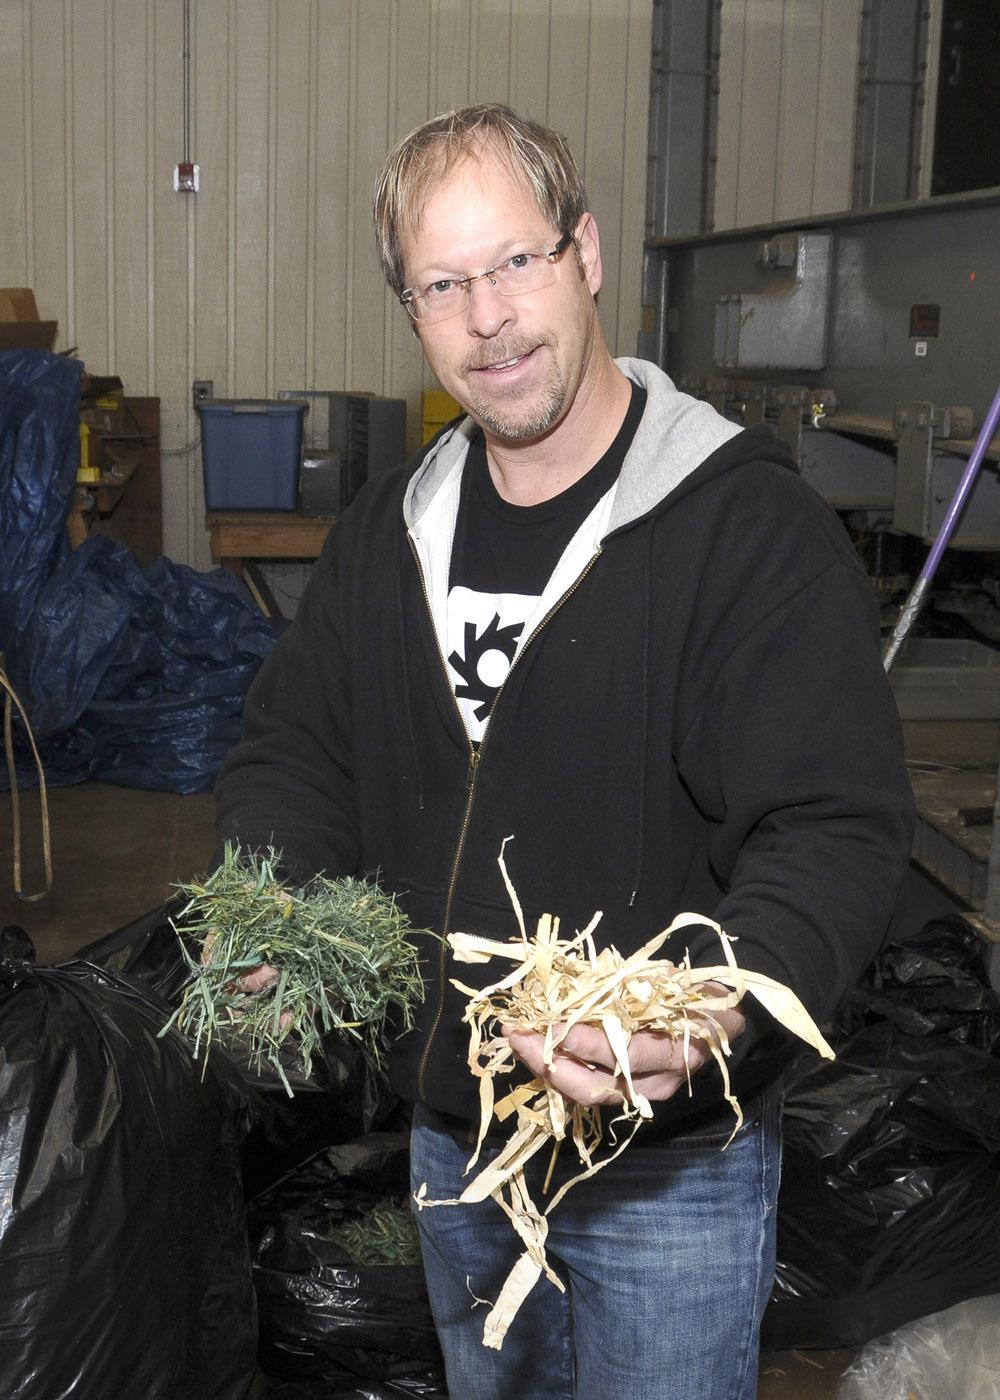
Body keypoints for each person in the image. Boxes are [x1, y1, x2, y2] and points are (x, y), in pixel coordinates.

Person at [215, 103, 914, 1399]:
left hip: (669, 1161)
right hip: (454, 1137)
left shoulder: (737, 528)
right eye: (443, 283)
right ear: (411, 311)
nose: (489, 316)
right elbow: (293, 754)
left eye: (517, 262)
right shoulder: (388, 537)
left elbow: (833, 819)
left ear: (586, 253)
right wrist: (279, 907)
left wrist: (721, 999)